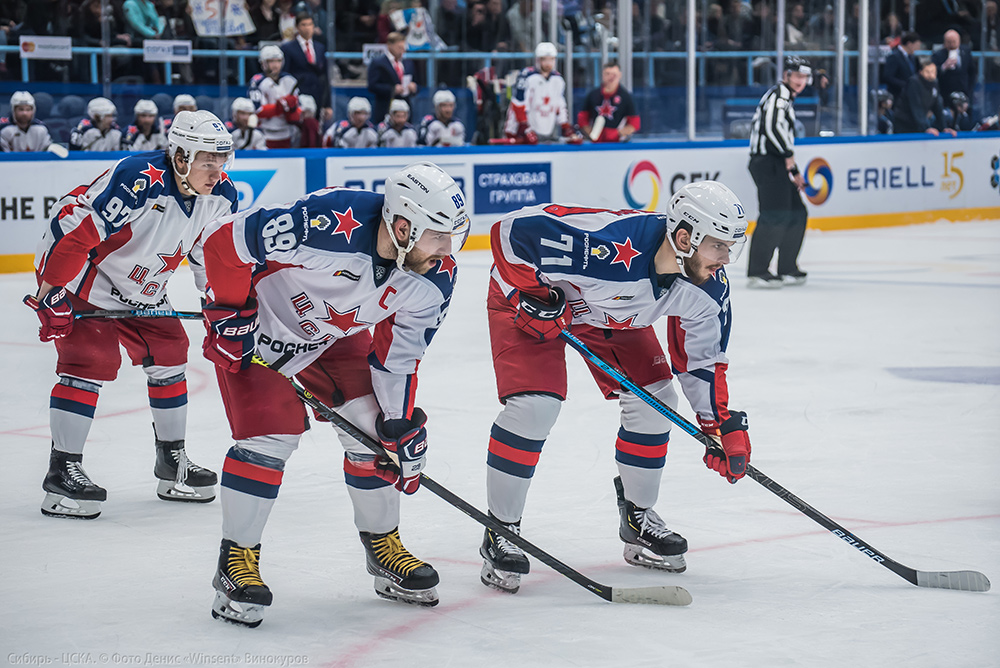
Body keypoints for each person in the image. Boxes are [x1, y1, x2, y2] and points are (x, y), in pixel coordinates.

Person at [198, 162, 470, 627]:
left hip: (331, 335)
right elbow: (224, 242)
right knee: (269, 439)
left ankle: (383, 548)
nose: (447, 250)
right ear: (402, 226)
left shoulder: (432, 279)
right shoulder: (330, 221)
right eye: (439, 236)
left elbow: (398, 360)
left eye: (453, 237)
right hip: (259, 323)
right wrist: (226, 310)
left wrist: (398, 427)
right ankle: (235, 560)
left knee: (371, 437)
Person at [480, 182, 753, 594]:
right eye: (718, 246)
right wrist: (535, 294)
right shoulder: (606, 246)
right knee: (535, 407)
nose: (726, 259)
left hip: (611, 316)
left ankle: (638, 517)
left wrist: (719, 425)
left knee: (658, 398)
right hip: (533, 307)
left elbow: (701, 360)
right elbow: (509, 232)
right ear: (684, 238)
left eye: (730, 247)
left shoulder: (708, 287)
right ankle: (500, 528)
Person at [25, 110, 239, 520]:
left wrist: (220, 305)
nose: (217, 171)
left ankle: (170, 462)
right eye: (207, 161)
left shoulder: (222, 196)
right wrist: (50, 292)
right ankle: (61, 470)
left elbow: (209, 258)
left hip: (142, 283)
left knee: (171, 351)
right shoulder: (138, 179)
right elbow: (79, 235)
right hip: (88, 271)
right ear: (180, 157)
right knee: (90, 360)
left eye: (221, 160)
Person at [746, 56, 811, 289]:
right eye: (796, 76)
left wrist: (791, 166)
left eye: (804, 77)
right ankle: (758, 270)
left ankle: (787, 266)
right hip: (767, 162)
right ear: (786, 76)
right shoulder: (779, 96)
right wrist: (789, 159)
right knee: (774, 214)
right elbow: (772, 127)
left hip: (776, 162)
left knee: (796, 212)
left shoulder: (785, 98)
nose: (800, 81)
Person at [503, 42, 582, 144]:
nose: (548, 63)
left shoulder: (558, 79)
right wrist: (525, 128)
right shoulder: (526, 76)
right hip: (518, 131)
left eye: (551, 59)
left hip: (543, 132)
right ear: (537, 60)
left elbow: (560, 105)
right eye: (544, 59)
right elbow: (518, 103)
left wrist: (565, 126)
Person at [280, 13, 333, 123]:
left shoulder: (320, 48)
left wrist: (327, 104)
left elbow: (325, 76)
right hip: (298, 95)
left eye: (310, 24)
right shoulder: (288, 48)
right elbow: (285, 75)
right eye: (304, 24)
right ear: (297, 27)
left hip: (317, 94)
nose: (307, 28)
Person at [248, 44, 301, 148]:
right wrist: (280, 106)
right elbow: (257, 110)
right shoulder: (257, 81)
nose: (275, 65)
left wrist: (293, 110)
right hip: (265, 132)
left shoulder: (290, 80)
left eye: (278, 61)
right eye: (271, 61)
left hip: (287, 130)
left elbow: (299, 108)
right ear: (263, 63)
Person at [576, 62, 640, 143]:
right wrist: (592, 133)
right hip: (595, 144)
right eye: (608, 74)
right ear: (602, 75)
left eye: (614, 74)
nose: (611, 77)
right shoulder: (593, 94)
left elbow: (634, 124)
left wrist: (617, 134)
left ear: (620, 75)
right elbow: (582, 119)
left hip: (618, 144)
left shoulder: (626, 97)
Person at [894, 58, 955, 136]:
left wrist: (944, 128)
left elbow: (938, 106)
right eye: (927, 72)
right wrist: (926, 128)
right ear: (920, 72)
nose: (931, 75)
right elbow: (916, 107)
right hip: (905, 123)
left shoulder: (934, 83)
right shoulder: (914, 82)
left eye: (933, 72)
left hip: (919, 123)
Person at [367, 31, 417, 124]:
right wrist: (392, 89)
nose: (403, 50)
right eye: (399, 47)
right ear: (390, 45)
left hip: (405, 109)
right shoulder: (378, 63)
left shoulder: (408, 63)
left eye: (404, 47)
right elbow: (372, 85)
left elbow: (417, 82)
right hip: (385, 107)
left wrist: (414, 87)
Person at [932, 29, 974, 105]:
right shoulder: (938, 55)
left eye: (954, 41)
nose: (952, 44)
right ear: (944, 42)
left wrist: (969, 90)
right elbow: (934, 73)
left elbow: (972, 72)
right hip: (946, 93)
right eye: (949, 42)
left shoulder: (966, 52)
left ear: (959, 41)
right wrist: (944, 67)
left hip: (964, 92)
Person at [883, 31, 921, 101]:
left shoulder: (912, 58)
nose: (917, 49)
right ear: (909, 44)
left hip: (910, 96)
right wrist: (905, 85)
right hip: (897, 96)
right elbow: (888, 76)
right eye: (917, 45)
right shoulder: (894, 56)